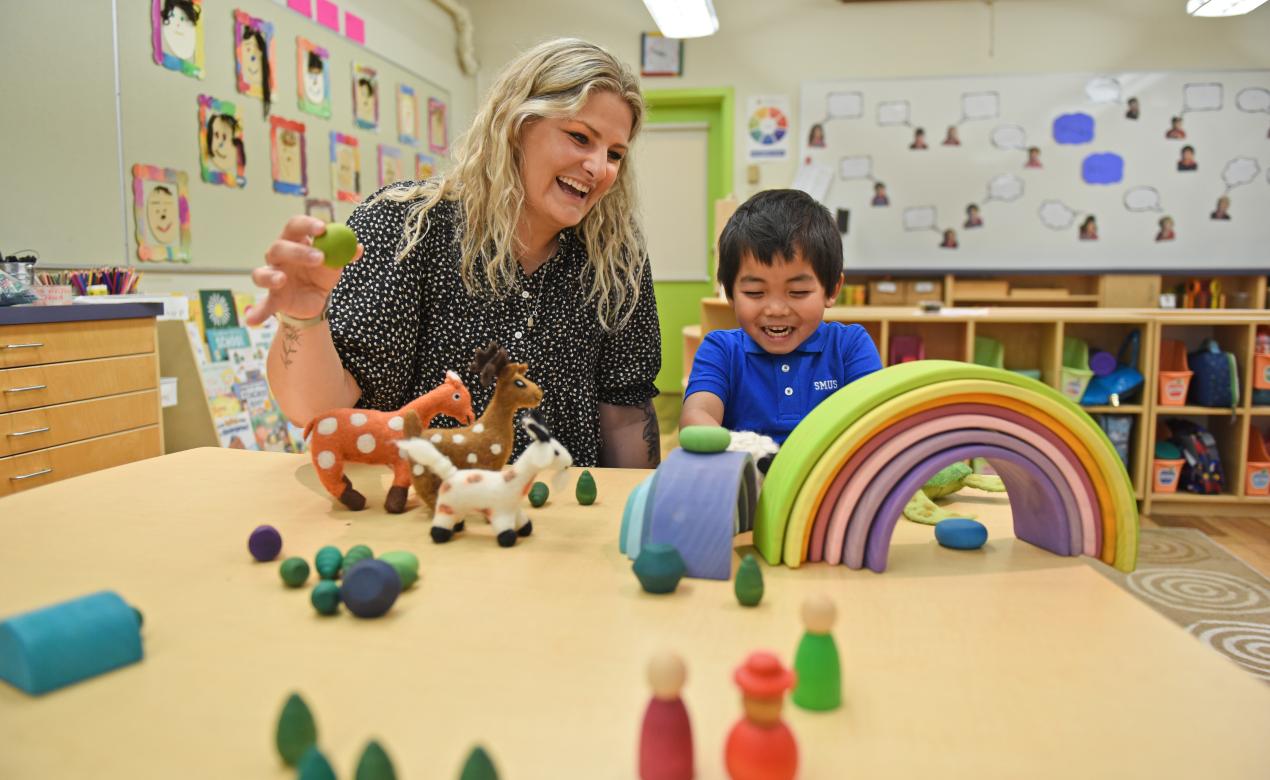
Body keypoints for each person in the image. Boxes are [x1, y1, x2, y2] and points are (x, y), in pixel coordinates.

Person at [246, 38, 662, 469]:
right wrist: (303, 317)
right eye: (580, 138)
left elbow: (626, 415)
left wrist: (642, 520)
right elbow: (319, 411)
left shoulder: (615, 260)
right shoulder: (406, 227)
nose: (598, 168)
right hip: (420, 512)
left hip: (562, 520)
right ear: (516, 126)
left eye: (615, 154)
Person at [679, 189, 882, 444]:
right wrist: (742, 450)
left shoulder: (849, 346)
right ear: (729, 292)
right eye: (755, 292)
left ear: (831, 290)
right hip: (746, 476)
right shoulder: (721, 350)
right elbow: (697, 414)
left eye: (797, 292)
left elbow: (874, 419)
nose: (776, 309)